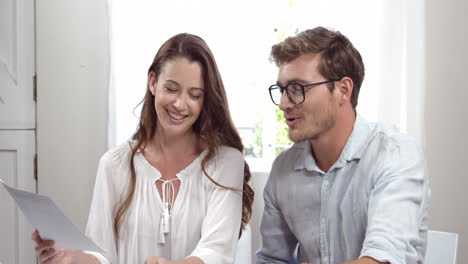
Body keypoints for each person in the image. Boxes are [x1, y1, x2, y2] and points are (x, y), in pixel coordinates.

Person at [32, 33, 254, 264]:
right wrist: (70, 259)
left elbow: (216, 252)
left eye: (194, 94)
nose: (179, 104)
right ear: (153, 82)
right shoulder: (114, 165)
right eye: (171, 88)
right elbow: (102, 254)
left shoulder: (226, 163)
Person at [256, 27, 430, 264]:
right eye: (283, 90)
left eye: (298, 89)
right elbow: (272, 259)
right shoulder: (284, 168)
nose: (284, 103)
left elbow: (379, 259)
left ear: (343, 90)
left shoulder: (395, 154)